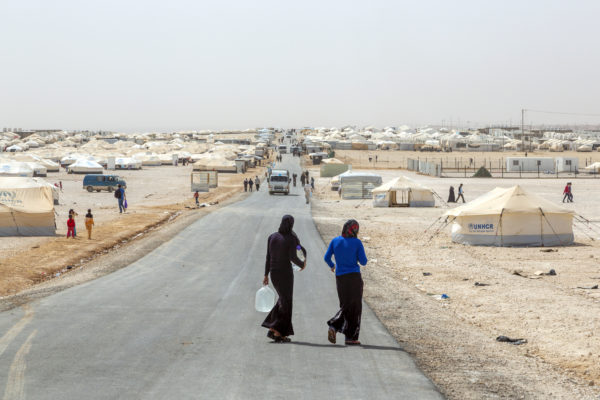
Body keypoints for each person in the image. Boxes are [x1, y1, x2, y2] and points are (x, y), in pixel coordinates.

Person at [262, 215, 306, 342]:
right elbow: (293, 257)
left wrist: (266, 275)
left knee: (283, 300)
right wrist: (302, 265)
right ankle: (277, 332)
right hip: (285, 274)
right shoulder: (291, 238)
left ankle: (276, 330)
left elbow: (268, 257)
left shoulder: (272, 237)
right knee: (286, 301)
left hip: (274, 273)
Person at [324, 219, 368, 345]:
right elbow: (363, 261)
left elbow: (326, 258)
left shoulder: (335, 241)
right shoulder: (357, 242)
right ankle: (340, 329)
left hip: (340, 277)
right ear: (354, 230)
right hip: (354, 277)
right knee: (355, 307)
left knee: (345, 305)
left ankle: (347, 337)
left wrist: (333, 265)